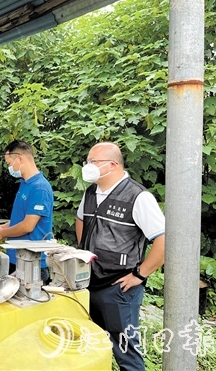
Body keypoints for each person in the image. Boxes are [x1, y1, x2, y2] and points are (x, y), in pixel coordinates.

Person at [75, 142, 165, 371]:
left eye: (93, 162)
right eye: (88, 162)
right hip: (89, 282)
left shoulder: (138, 196)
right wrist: (84, 249)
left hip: (119, 287)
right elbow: (81, 220)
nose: (88, 166)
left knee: (125, 349)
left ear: (113, 165)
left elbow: (164, 241)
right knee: (93, 344)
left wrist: (140, 275)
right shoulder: (91, 192)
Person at [0, 140, 54, 284]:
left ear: (20, 158)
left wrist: (2, 233)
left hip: (32, 262)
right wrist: (1, 227)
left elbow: (28, 226)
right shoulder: (25, 184)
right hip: (16, 257)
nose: (9, 167)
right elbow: (20, 219)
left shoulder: (39, 188)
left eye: (9, 163)